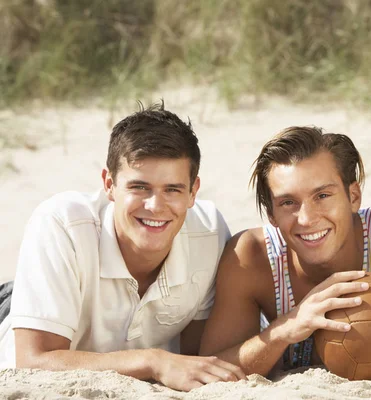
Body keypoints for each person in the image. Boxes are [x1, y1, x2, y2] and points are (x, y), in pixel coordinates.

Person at [0, 102, 245, 391]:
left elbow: (196, 356)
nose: (155, 206)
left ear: (193, 191)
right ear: (109, 183)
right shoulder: (61, 224)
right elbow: (33, 360)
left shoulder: (209, 233)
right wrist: (153, 361)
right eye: (139, 187)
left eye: (173, 189)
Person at [199, 126, 371, 377]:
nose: (306, 219)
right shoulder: (252, 257)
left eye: (322, 195)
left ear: (353, 197)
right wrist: (287, 328)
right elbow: (212, 372)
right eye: (288, 203)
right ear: (271, 215)